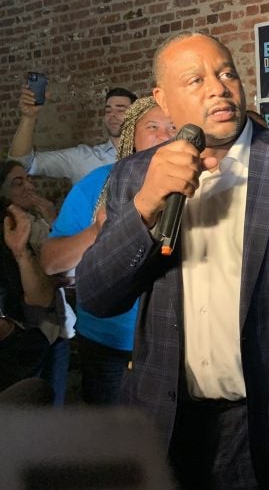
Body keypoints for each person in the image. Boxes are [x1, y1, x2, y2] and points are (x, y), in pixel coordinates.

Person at [75, 31, 269, 490]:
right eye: (195, 79)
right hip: (169, 427)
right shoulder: (135, 175)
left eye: (226, 72)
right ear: (162, 100)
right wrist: (147, 204)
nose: (219, 87)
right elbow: (97, 296)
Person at [40, 97, 176, 405]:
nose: (165, 136)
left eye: (174, 127)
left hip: (174, 343)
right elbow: (50, 263)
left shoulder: (199, 184)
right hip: (110, 345)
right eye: (152, 127)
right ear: (132, 134)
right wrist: (97, 229)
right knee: (112, 442)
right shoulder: (98, 185)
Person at [0, 162, 62, 398]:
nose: (28, 186)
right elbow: (36, 296)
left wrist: (53, 218)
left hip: (56, 326)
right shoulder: (9, 229)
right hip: (27, 333)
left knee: (52, 395)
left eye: (28, 179)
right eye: (17, 183)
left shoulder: (38, 217)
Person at [9, 86, 136, 184]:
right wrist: (28, 117)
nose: (112, 115)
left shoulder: (152, 157)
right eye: (108, 110)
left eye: (121, 110)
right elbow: (23, 164)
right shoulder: (82, 158)